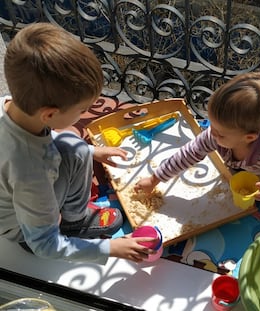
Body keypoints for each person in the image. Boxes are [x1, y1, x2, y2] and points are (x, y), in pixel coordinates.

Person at [0, 22, 155, 264]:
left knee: (78, 147)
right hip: (24, 230)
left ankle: (72, 214)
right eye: (83, 110)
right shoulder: (31, 171)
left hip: (17, 197)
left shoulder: (10, 105)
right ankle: (74, 223)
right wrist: (109, 248)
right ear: (49, 114)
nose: (84, 115)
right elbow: (44, 244)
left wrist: (93, 150)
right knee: (75, 149)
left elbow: (31, 142)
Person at [135, 72, 260, 211]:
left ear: (249, 137)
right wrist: (155, 179)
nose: (210, 133)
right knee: (238, 176)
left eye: (219, 132)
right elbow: (188, 153)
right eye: (211, 126)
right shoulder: (218, 134)